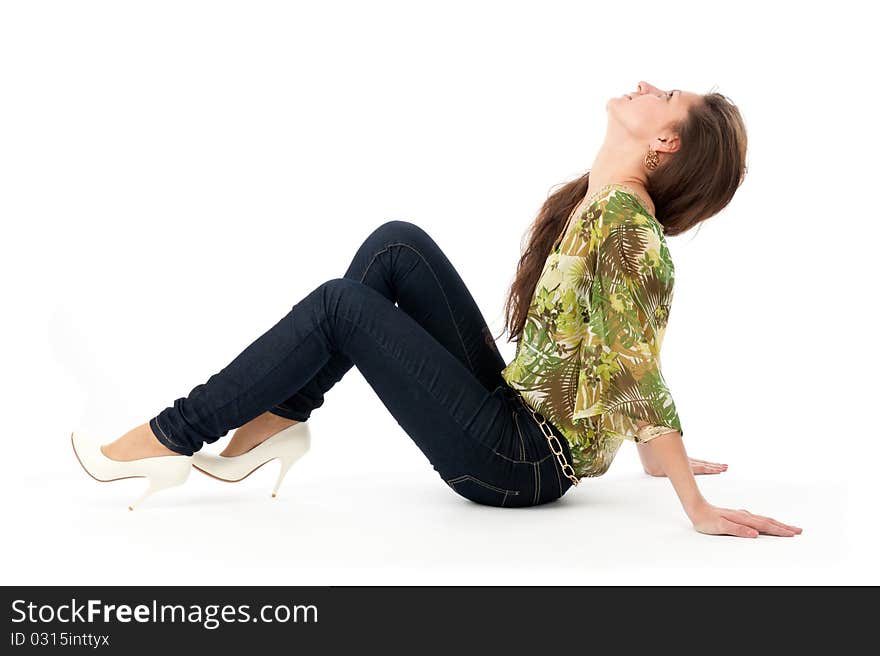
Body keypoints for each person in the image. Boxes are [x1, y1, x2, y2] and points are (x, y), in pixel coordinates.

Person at [71, 80, 802, 539]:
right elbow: (614, 347)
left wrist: (692, 504)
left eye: (665, 95)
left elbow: (633, 364)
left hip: (520, 462)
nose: (646, 85)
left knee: (340, 306)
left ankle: (171, 436)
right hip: (518, 413)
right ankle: (281, 421)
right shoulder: (602, 203)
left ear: (664, 142)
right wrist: (643, 448)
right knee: (398, 247)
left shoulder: (627, 229)